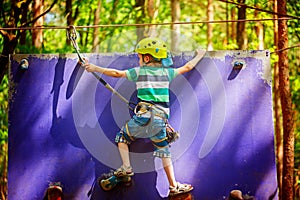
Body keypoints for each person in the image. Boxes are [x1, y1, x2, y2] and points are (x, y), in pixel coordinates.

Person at [81, 37, 205, 196]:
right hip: (160, 120)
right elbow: (188, 67)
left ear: (146, 58)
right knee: (164, 151)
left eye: (139, 57)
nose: (138, 60)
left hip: (143, 116)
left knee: (122, 138)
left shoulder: (139, 72)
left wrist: (94, 67)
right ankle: (174, 186)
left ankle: (126, 167)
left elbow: (116, 73)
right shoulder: (167, 73)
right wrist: (200, 54)